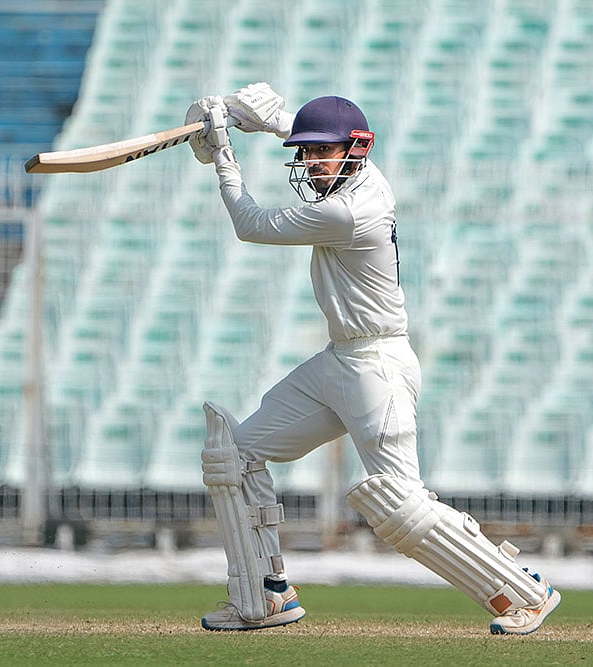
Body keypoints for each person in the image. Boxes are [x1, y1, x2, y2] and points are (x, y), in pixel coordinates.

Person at [184, 83, 561, 634]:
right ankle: (264, 597)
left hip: (376, 367)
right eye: (305, 152)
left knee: (399, 505)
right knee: (234, 456)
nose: (311, 163)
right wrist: (268, 122)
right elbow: (327, 135)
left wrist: (224, 158)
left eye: (320, 152)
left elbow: (252, 225)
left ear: (354, 152)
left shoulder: (347, 213)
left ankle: (522, 591)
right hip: (340, 359)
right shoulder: (362, 169)